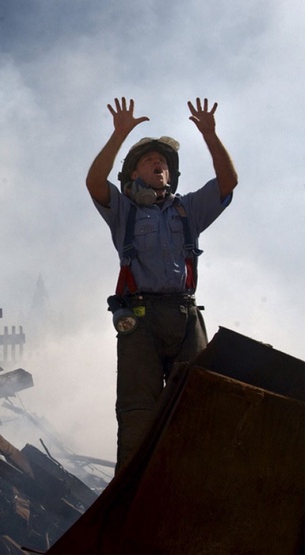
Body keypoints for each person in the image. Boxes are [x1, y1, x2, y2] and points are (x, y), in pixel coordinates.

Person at [86, 97, 238, 472]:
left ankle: (195, 487)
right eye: (150, 161)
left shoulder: (187, 209)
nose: (160, 164)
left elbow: (227, 182)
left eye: (165, 163)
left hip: (185, 316)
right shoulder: (124, 211)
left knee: (199, 404)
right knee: (138, 413)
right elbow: (94, 183)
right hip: (141, 320)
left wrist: (210, 135)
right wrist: (119, 135)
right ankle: (130, 500)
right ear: (133, 174)